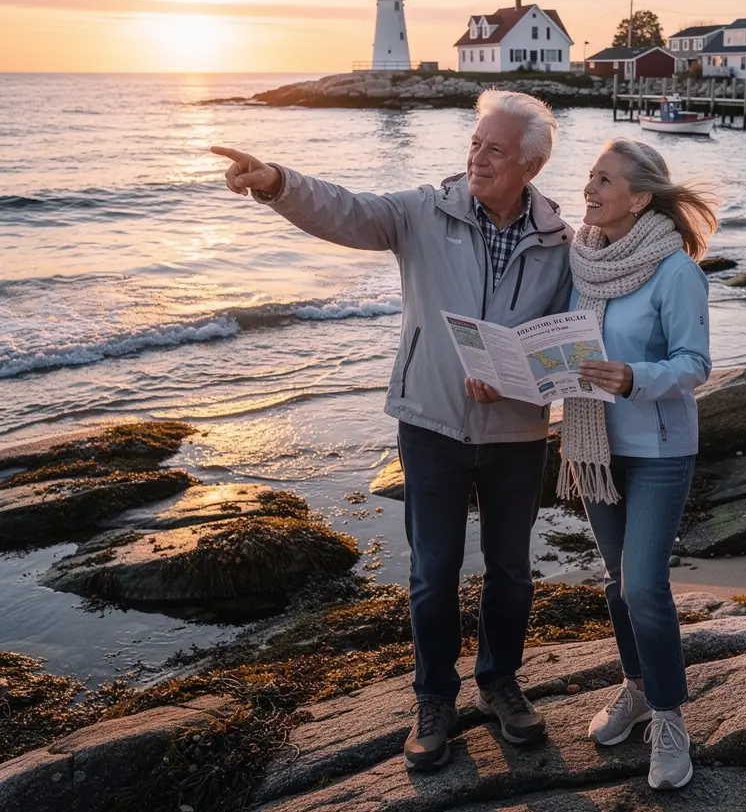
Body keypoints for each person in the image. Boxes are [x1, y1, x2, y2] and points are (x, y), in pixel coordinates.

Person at [210, 90, 572, 772]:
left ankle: (501, 683)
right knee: (434, 574)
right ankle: (433, 697)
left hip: (518, 434)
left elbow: (568, 340)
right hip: (431, 423)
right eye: (474, 142)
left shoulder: (561, 243)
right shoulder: (422, 212)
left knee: (513, 573)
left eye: (494, 149)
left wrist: (521, 372)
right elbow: (348, 211)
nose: (477, 157)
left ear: (533, 163)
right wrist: (279, 184)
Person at [557, 137, 716, 791]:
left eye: (605, 180)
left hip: (658, 451)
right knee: (614, 581)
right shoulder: (581, 259)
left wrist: (632, 378)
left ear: (640, 198)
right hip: (596, 449)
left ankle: (671, 719)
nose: (590, 188)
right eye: (590, 175)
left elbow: (695, 365)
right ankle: (637, 690)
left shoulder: (675, 271)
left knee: (643, 585)